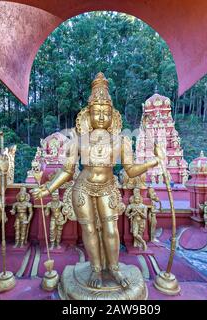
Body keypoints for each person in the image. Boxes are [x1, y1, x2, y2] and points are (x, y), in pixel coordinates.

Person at [31, 72, 164, 289]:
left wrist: (153, 162)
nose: (101, 116)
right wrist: (47, 188)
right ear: (88, 114)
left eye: (106, 112)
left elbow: (130, 171)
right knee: (89, 229)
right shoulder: (78, 140)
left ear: (113, 115)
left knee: (111, 229)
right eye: (97, 112)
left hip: (108, 186)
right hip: (83, 187)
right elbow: (67, 171)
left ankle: (114, 267)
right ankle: (95, 268)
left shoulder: (121, 140)